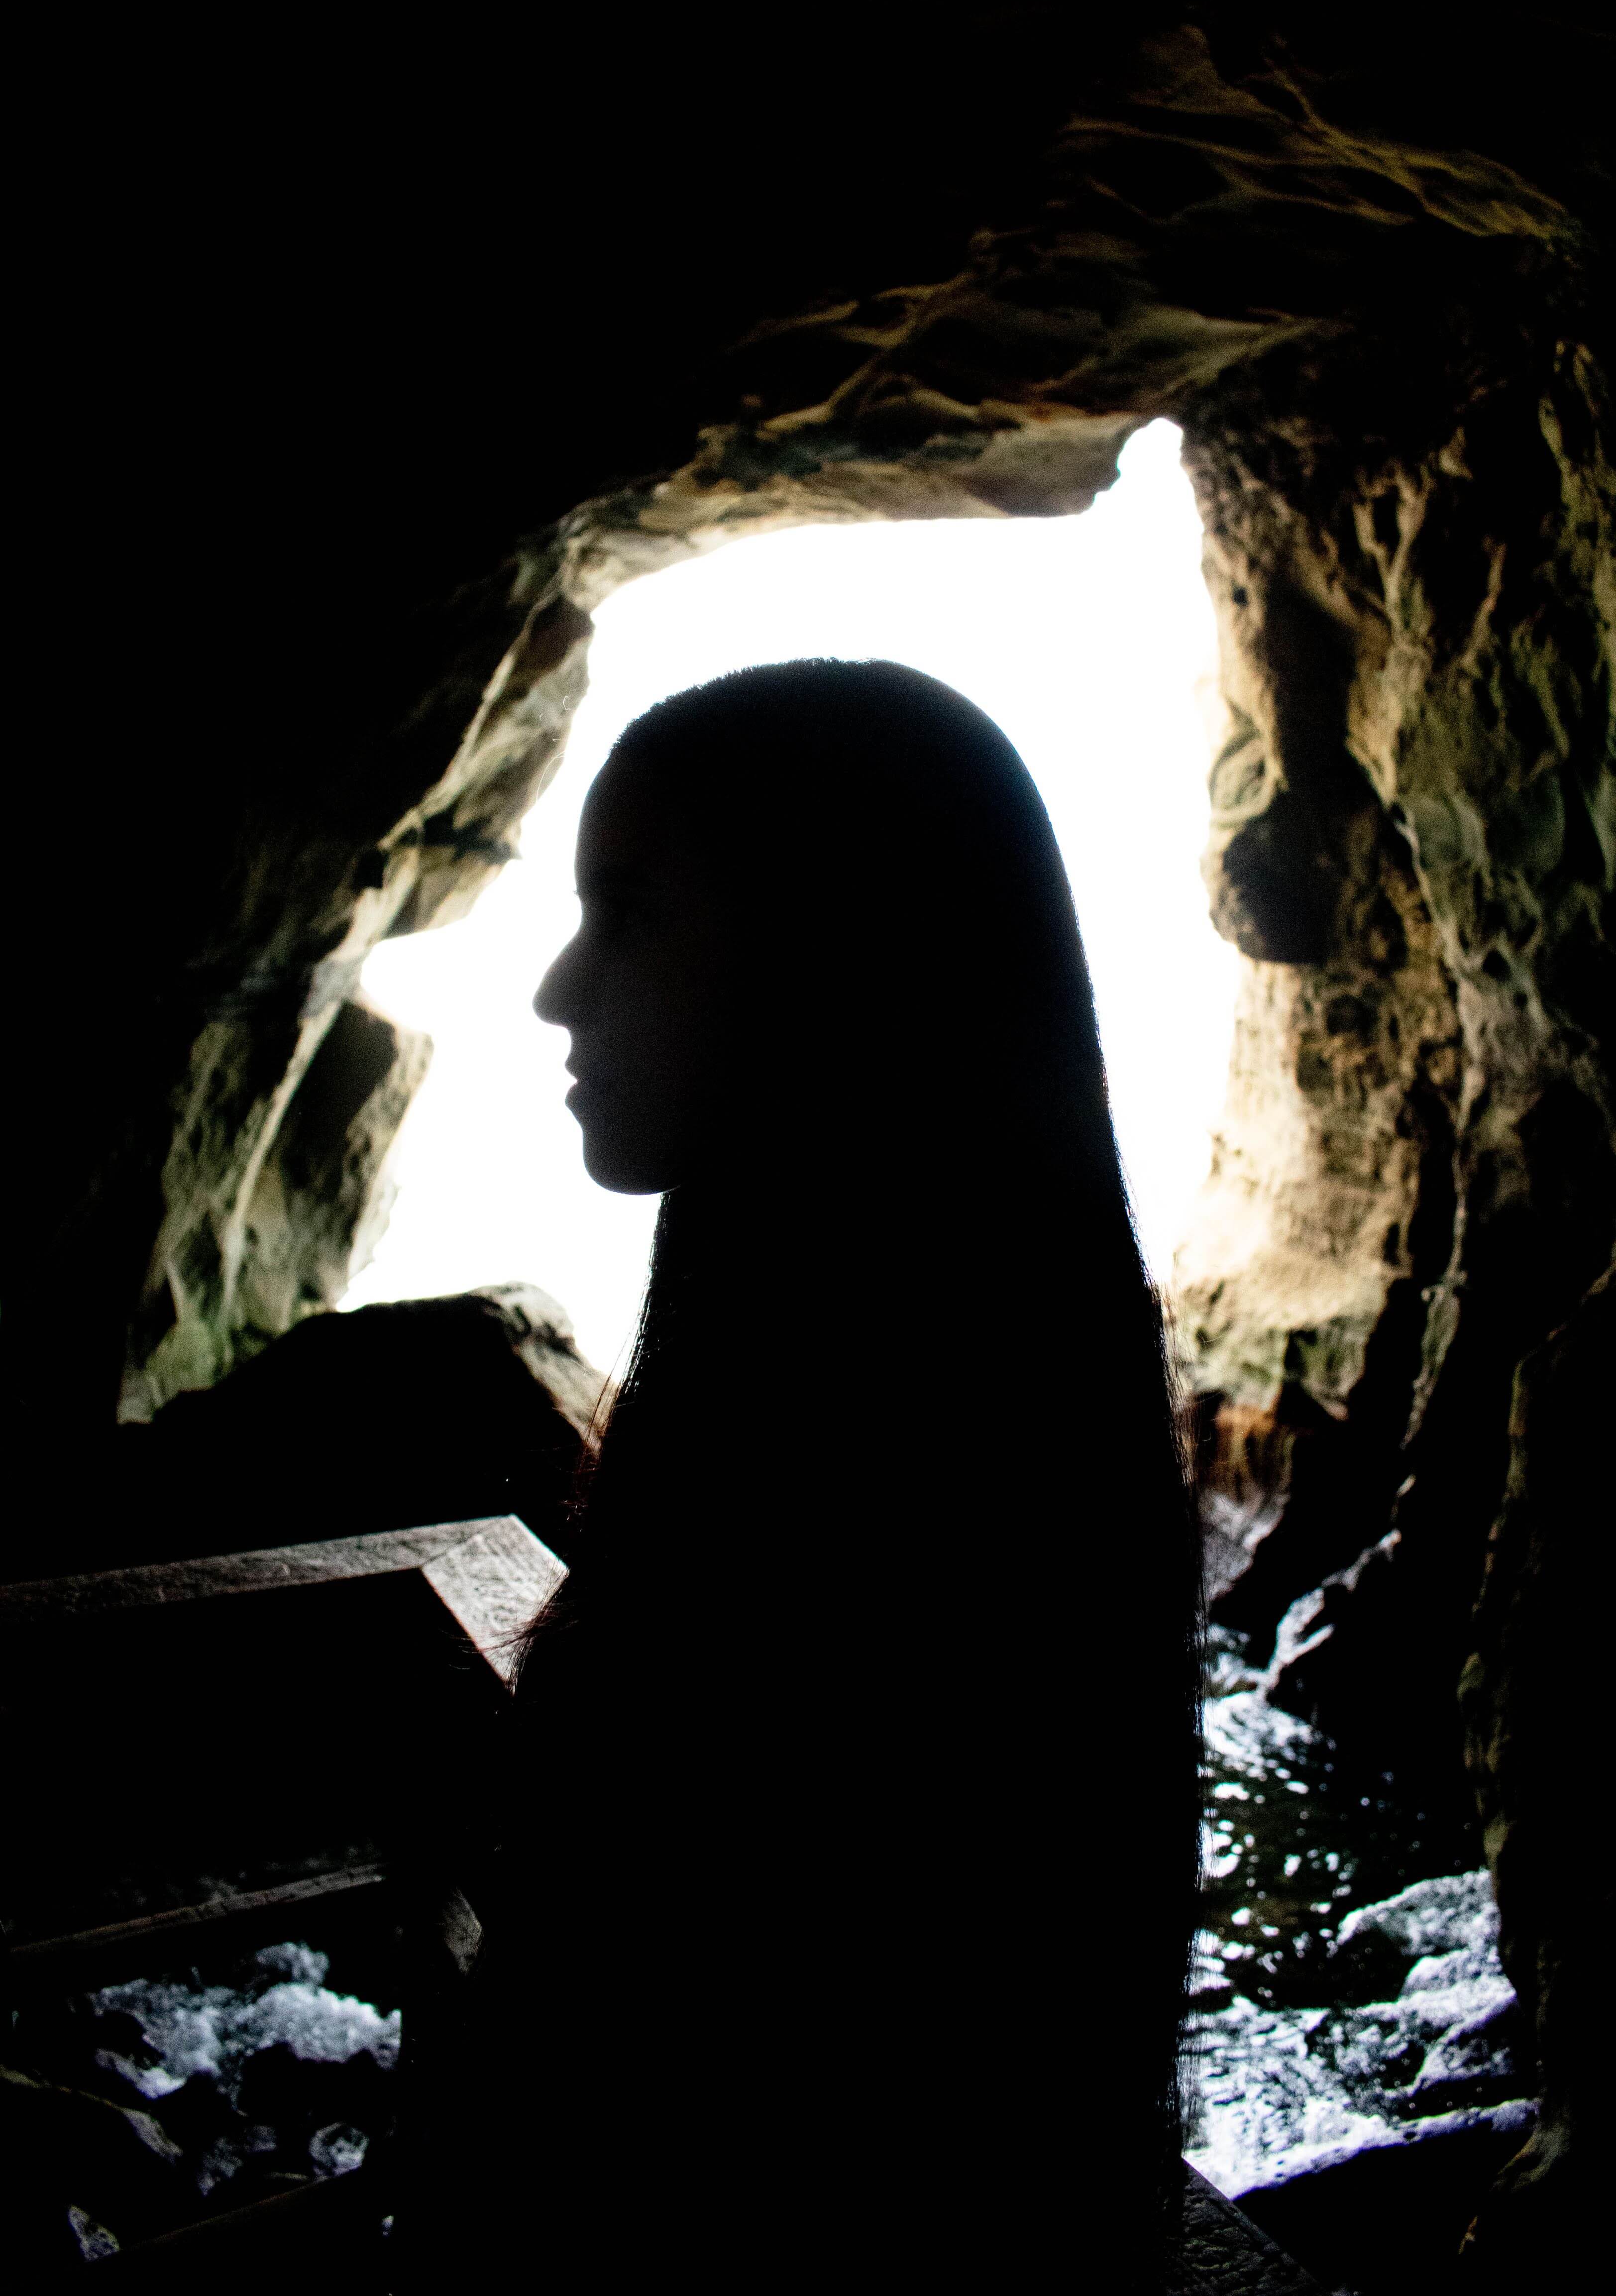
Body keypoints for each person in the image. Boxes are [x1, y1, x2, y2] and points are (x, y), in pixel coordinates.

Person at [408, 659, 1201, 2285]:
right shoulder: (991, 1461)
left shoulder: (861, 1574)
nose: (561, 989)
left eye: (623, 912)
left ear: (838, 950)